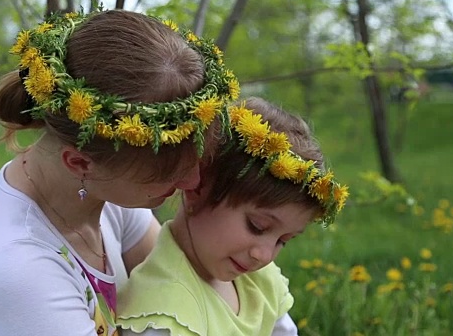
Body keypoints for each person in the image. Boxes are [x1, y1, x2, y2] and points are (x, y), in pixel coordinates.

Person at [0, 9, 240, 336]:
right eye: (168, 173)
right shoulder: (17, 274)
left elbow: (183, 282)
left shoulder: (102, 194)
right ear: (78, 163)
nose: (192, 182)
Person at [116, 97, 349, 336]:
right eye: (257, 227)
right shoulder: (165, 314)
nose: (265, 255)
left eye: (283, 240)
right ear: (199, 186)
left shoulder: (258, 282)